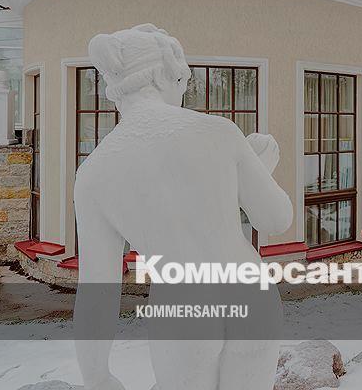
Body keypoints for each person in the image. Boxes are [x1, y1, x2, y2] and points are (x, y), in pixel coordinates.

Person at [73, 24, 292, 390]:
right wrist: (258, 172)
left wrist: (96, 375)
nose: (182, 91)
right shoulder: (219, 132)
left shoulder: (93, 173)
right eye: (181, 81)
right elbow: (276, 218)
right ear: (162, 75)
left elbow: (98, 291)